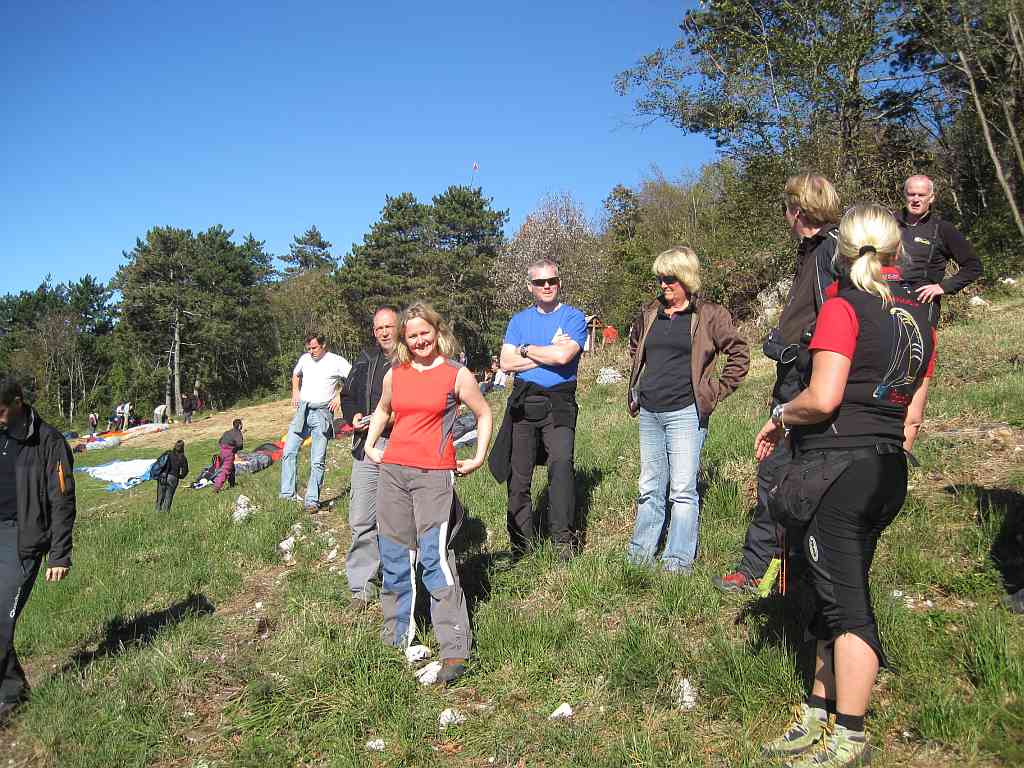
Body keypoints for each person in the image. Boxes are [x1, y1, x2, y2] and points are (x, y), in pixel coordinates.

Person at [755, 204, 935, 767]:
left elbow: (823, 397)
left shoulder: (843, 306)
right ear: (896, 251)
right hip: (887, 468)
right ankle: (817, 709)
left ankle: (849, 733)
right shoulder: (918, 316)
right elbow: (912, 415)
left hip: (839, 470)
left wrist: (780, 415)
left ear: (843, 250)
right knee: (829, 590)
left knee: (848, 604)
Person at [714, 173, 841, 595]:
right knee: (780, 474)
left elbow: (835, 317)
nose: (785, 215)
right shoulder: (813, 251)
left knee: (779, 473)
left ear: (797, 210)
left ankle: (766, 572)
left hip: (807, 381)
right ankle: (776, 570)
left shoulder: (829, 251)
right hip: (797, 377)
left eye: (787, 207)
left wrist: (803, 357)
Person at [363, 303, 492, 685]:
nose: (420, 340)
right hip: (393, 472)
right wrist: (371, 445)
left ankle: (455, 648)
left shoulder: (456, 374)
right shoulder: (396, 374)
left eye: (425, 332)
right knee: (394, 556)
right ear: (404, 338)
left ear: (437, 332)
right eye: (412, 335)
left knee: (434, 558)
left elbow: (484, 413)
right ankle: (396, 637)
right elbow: (383, 410)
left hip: (434, 475)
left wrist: (479, 456)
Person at [626, 247, 750, 573]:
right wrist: (639, 385)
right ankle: (639, 557)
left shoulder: (709, 315)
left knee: (682, 491)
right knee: (650, 488)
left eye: (670, 278)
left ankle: (677, 562)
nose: (663, 284)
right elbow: (635, 346)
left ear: (686, 278)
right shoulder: (650, 312)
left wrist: (715, 391)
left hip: (686, 413)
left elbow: (739, 353)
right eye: (660, 278)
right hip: (650, 412)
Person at [489, 259, 588, 561]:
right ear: (529, 286)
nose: (547, 286)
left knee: (561, 466)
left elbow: (563, 357)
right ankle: (521, 546)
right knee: (518, 478)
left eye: (552, 281)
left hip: (559, 403)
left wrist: (525, 349)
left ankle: (563, 542)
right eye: (540, 282)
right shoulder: (518, 321)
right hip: (524, 403)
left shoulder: (574, 317)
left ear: (559, 282)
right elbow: (506, 363)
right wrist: (547, 349)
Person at [0, 375, 77, 722]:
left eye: (0, 411)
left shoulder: (49, 441)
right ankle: (15, 690)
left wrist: (59, 554)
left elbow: (62, 500)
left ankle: (9, 701)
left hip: (22, 541)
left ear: (17, 402)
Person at [340, 307, 398, 609]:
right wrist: (354, 415)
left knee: (400, 519)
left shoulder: (412, 358)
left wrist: (387, 419)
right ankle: (362, 588)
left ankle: (401, 582)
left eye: (389, 326)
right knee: (362, 517)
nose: (384, 332)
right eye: (379, 328)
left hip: (402, 443)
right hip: (368, 443)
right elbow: (347, 396)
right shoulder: (365, 360)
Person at [897, 174, 982, 326]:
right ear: (905, 195)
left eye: (921, 195)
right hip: (887, 297)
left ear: (931, 198)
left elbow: (973, 266)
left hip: (922, 302)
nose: (916, 199)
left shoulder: (943, 229)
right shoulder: (887, 223)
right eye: (911, 194)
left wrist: (943, 287)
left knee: (919, 342)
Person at [279, 333, 351, 512]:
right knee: (288, 451)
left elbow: (354, 377)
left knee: (317, 459)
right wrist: (295, 391)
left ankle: (312, 501)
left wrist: (339, 396)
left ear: (323, 345)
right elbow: (296, 374)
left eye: (314, 348)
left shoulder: (336, 361)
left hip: (322, 413)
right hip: (303, 411)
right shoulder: (305, 359)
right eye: (309, 348)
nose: (311, 351)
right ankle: (287, 496)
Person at [154, 440, 189, 512]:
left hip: (162, 476)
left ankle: (157, 512)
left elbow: (159, 462)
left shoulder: (168, 453)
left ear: (175, 445)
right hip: (173, 478)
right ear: (182, 447)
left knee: (159, 498)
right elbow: (185, 471)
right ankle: (165, 514)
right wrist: (180, 476)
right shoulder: (182, 457)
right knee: (168, 498)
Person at [212, 419, 243, 493]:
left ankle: (232, 484)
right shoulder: (238, 433)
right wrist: (234, 449)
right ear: (239, 425)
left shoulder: (227, 432)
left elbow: (220, 441)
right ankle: (216, 487)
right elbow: (240, 445)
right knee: (225, 470)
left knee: (232, 468)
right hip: (229, 453)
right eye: (241, 424)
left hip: (222, 452)